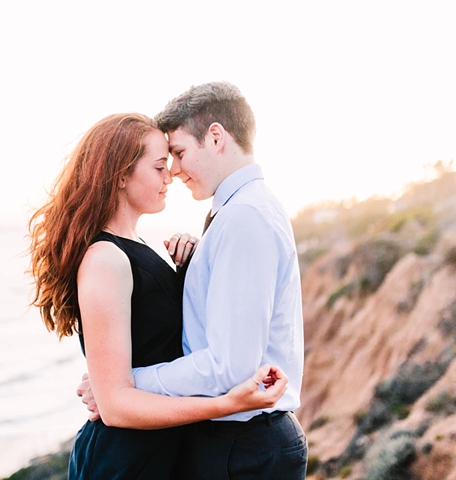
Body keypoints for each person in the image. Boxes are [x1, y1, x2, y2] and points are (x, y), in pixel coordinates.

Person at [27, 112, 289, 479]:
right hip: (126, 462)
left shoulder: (138, 247)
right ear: (120, 175)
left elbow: (169, 337)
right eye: (160, 166)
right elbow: (116, 406)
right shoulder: (105, 258)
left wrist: (192, 266)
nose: (172, 176)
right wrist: (224, 404)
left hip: (161, 452)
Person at [79, 82, 308, 479]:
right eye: (166, 161)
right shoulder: (238, 212)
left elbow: (229, 367)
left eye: (180, 154)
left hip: (243, 449)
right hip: (234, 444)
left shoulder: (244, 216)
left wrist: (125, 385)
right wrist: (191, 265)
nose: (175, 170)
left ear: (216, 137)